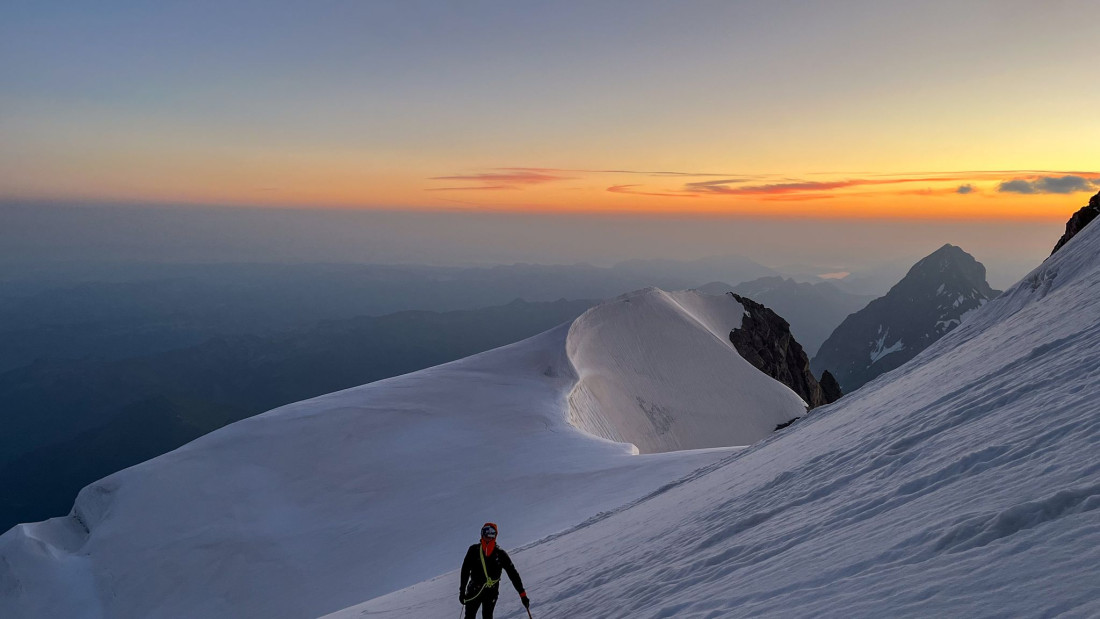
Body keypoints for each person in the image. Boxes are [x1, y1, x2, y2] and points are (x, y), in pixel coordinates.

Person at [460, 522, 529, 618]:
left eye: (491, 533)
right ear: (482, 533)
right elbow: (465, 571)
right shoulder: (473, 550)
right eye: (486, 532)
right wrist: (462, 591)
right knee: (469, 617)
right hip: (474, 589)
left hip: (491, 592)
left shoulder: (500, 554)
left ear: (495, 535)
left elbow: (513, 574)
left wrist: (522, 594)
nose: (488, 535)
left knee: (487, 616)